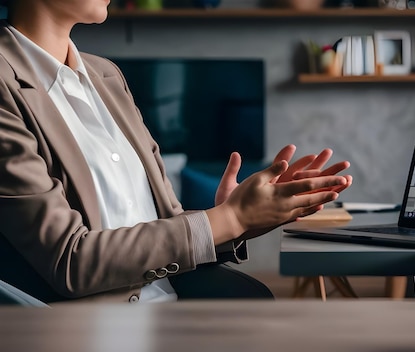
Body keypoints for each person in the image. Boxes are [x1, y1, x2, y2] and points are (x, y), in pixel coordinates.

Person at [0, 0, 353, 303]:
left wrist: (241, 216)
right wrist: (230, 219)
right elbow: (69, 262)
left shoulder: (105, 75)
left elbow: (164, 226)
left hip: (172, 304)